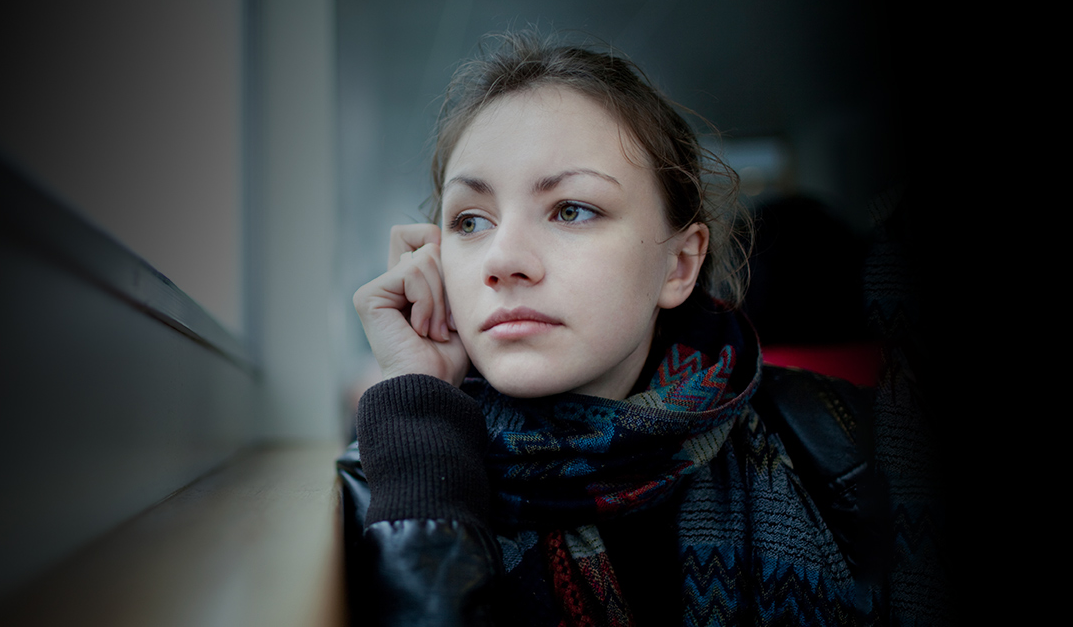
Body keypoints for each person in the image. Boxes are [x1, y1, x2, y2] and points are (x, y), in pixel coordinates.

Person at [341, 31, 909, 626]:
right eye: (470, 221)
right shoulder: (384, 487)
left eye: (571, 210)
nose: (502, 259)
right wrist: (420, 413)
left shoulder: (858, 446)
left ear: (680, 263)